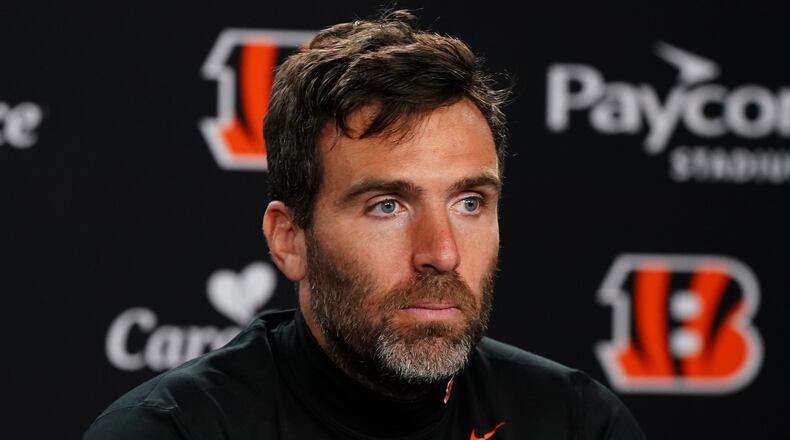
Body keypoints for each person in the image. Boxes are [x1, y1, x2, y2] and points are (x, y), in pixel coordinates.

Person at [83, 8, 646, 440]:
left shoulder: (577, 424)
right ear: (290, 239)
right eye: (388, 206)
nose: (442, 252)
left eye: (469, 203)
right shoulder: (172, 432)